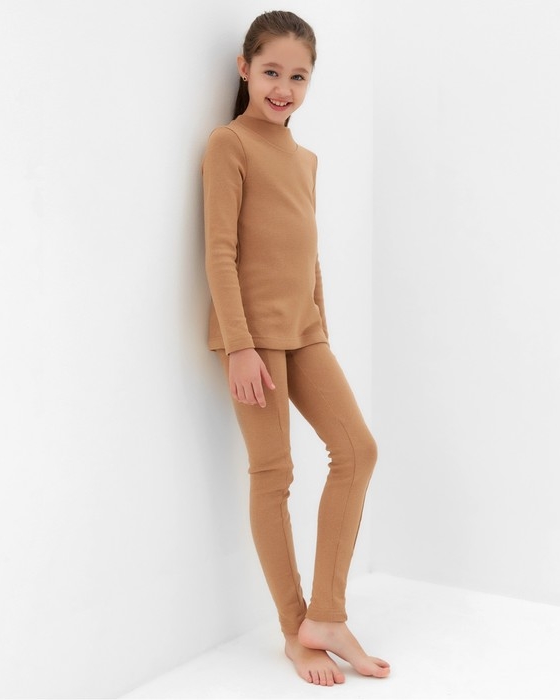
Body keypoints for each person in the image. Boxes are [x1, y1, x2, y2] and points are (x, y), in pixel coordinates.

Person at [201, 9, 390, 687]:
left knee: (357, 450)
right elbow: (220, 253)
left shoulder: (305, 159)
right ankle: (293, 628)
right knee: (274, 474)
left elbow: (309, 256)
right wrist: (240, 346)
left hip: (305, 332)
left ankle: (327, 616)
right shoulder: (229, 144)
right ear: (245, 69)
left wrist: (323, 332)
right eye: (272, 72)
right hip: (252, 339)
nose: (284, 88)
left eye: (299, 77)